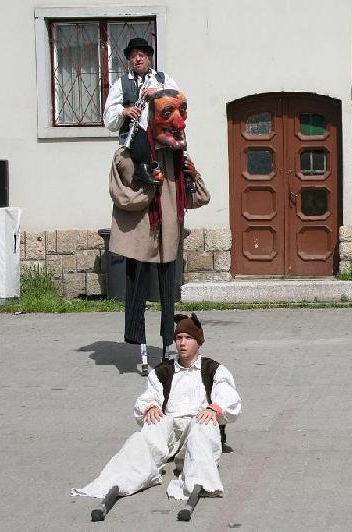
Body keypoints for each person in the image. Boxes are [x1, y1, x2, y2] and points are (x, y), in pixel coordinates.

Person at [72, 313, 241, 502]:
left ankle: (198, 481)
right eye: (179, 338)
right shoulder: (163, 371)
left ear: (198, 342)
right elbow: (150, 395)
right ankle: (122, 478)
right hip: (171, 428)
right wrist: (150, 407)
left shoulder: (213, 369)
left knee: (204, 425)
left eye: (188, 338)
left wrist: (214, 408)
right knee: (148, 431)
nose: (182, 343)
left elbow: (229, 397)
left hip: (198, 424)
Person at [108, 88, 209, 375]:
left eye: (182, 111)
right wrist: (148, 185)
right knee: (137, 291)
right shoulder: (130, 154)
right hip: (142, 235)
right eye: (168, 112)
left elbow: (197, 198)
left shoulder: (177, 157)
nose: (179, 121)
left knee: (167, 294)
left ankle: (166, 347)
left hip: (168, 234)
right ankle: (141, 349)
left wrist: (193, 176)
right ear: (152, 117)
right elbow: (122, 195)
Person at [104, 37, 180, 185]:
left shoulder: (163, 79)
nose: (137, 59)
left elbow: (178, 98)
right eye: (133, 56)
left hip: (164, 144)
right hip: (137, 148)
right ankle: (141, 170)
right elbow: (109, 116)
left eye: (141, 55)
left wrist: (158, 92)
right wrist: (124, 111)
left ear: (148, 57)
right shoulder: (121, 83)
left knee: (175, 177)